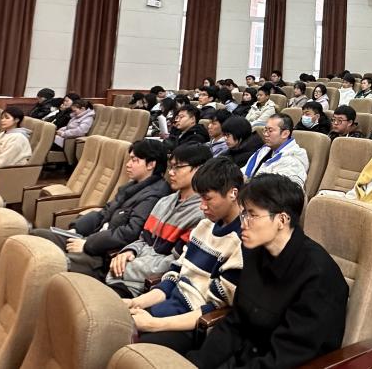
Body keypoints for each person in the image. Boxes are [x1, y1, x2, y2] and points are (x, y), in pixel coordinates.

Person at [188, 174, 349, 368]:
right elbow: (235, 323)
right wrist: (196, 364)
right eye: (243, 214)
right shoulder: (255, 252)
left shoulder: (318, 275)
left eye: (252, 215)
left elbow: (287, 356)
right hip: (246, 357)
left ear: (282, 219)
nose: (243, 223)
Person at [124, 157, 244, 353]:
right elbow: (175, 275)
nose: (202, 206)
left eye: (208, 198)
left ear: (233, 193)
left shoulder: (242, 240)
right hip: (171, 305)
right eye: (200, 198)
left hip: (194, 323)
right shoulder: (204, 226)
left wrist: (153, 324)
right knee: (118, 324)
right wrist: (136, 302)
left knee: (135, 350)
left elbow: (215, 308)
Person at [33, 140, 171, 278]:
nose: (128, 164)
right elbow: (104, 212)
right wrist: (76, 230)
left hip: (103, 256)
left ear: (151, 164)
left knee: (48, 262)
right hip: (92, 238)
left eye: (134, 160)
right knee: (37, 236)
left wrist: (87, 245)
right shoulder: (132, 186)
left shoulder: (154, 195)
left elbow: (130, 233)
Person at [106, 143, 210, 296]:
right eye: (171, 167)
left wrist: (130, 266)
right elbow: (143, 239)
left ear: (199, 169)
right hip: (125, 276)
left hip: (147, 288)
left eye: (178, 167)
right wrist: (128, 251)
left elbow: (175, 262)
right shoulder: (164, 201)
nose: (171, 173)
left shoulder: (202, 214)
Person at [243, 114, 309, 188]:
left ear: (285, 134)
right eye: (265, 130)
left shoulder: (293, 161)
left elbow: (283, 191)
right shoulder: (265, 150)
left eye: (270, 131)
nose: (265, 134)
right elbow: (245, 172)